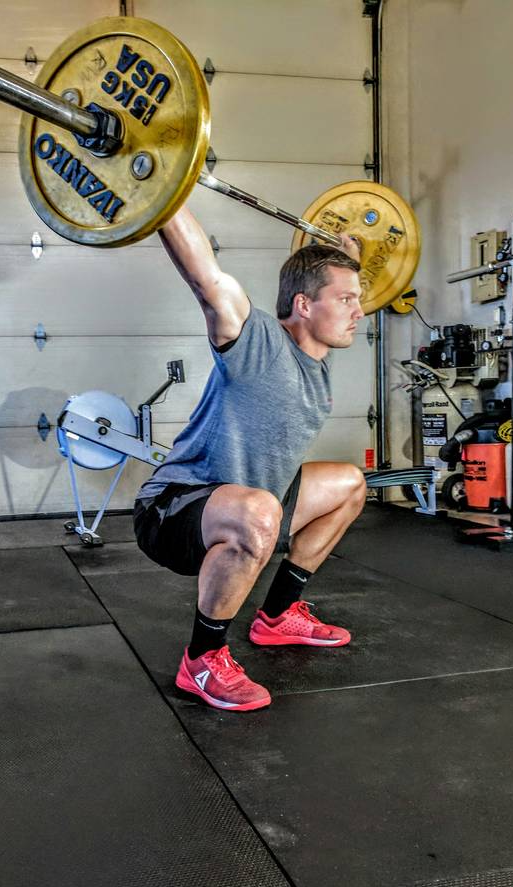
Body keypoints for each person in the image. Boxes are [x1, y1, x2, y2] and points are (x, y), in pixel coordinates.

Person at [133, 205, 368, 712]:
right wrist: (163, 197)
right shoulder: (255, 339)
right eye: (346, 300)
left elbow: (338, 281)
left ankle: (278, 616)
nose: (359, 311)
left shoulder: (317, 360)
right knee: (259, 511)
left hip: (255, 503)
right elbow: (207, 277)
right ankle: (203, 659)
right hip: (175, 510)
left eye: (359, 299)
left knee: (349, 482)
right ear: (303, 306)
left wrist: (348, 257)